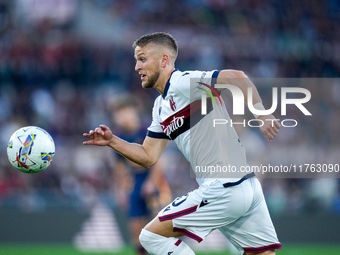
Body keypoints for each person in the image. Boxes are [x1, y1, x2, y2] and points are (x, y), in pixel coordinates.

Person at [83, 32, 282, 255]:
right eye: (136, 60)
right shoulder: (160, 106)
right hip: (245, 186)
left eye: (142, 59)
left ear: (164, 60)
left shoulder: (184, 82)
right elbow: (148, 156)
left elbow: (236, 76)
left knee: (151, 236)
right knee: (262, 252)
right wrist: (113, 141)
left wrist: (261, 113)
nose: (137, 67)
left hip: (223, 187)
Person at [111, 101, 171, 255]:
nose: (119, 117)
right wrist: (120, 191)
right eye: (117, 114)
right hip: (135, 183)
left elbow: (160, 159)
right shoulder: (120, 138)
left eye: (122, 112)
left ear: (132, 111)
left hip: (154, 182)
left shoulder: (147, 130)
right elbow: (119, 168)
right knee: (136, 230)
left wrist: (152, 182)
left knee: (160, 228)